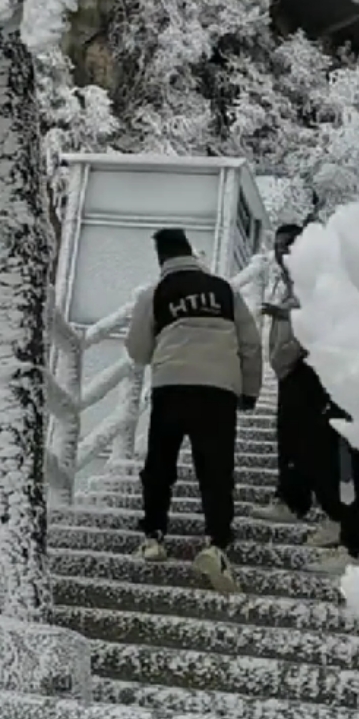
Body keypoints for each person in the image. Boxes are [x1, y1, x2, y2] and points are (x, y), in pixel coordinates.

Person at [126, 226, 262, 595]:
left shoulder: (154, 294)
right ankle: (217, 542)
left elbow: (137, 351)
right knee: (216, 468)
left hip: (171, 386)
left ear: (161, 259)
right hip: (218, 391)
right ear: (191, 253)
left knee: (160, 465)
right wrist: (250, 391)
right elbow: (250, 344)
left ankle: (153, 536)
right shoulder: (225, 291)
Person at [258, 222, 359, 577]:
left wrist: (290, 323)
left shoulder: (328, 281)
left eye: (289, 245)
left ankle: (349, 539)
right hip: (303, 372)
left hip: (326, 375)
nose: (281, 252)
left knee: (338, 458)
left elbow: (328, 319)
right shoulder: (299, 283)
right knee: (312, 450)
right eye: (277, 246)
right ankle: (332, 519)